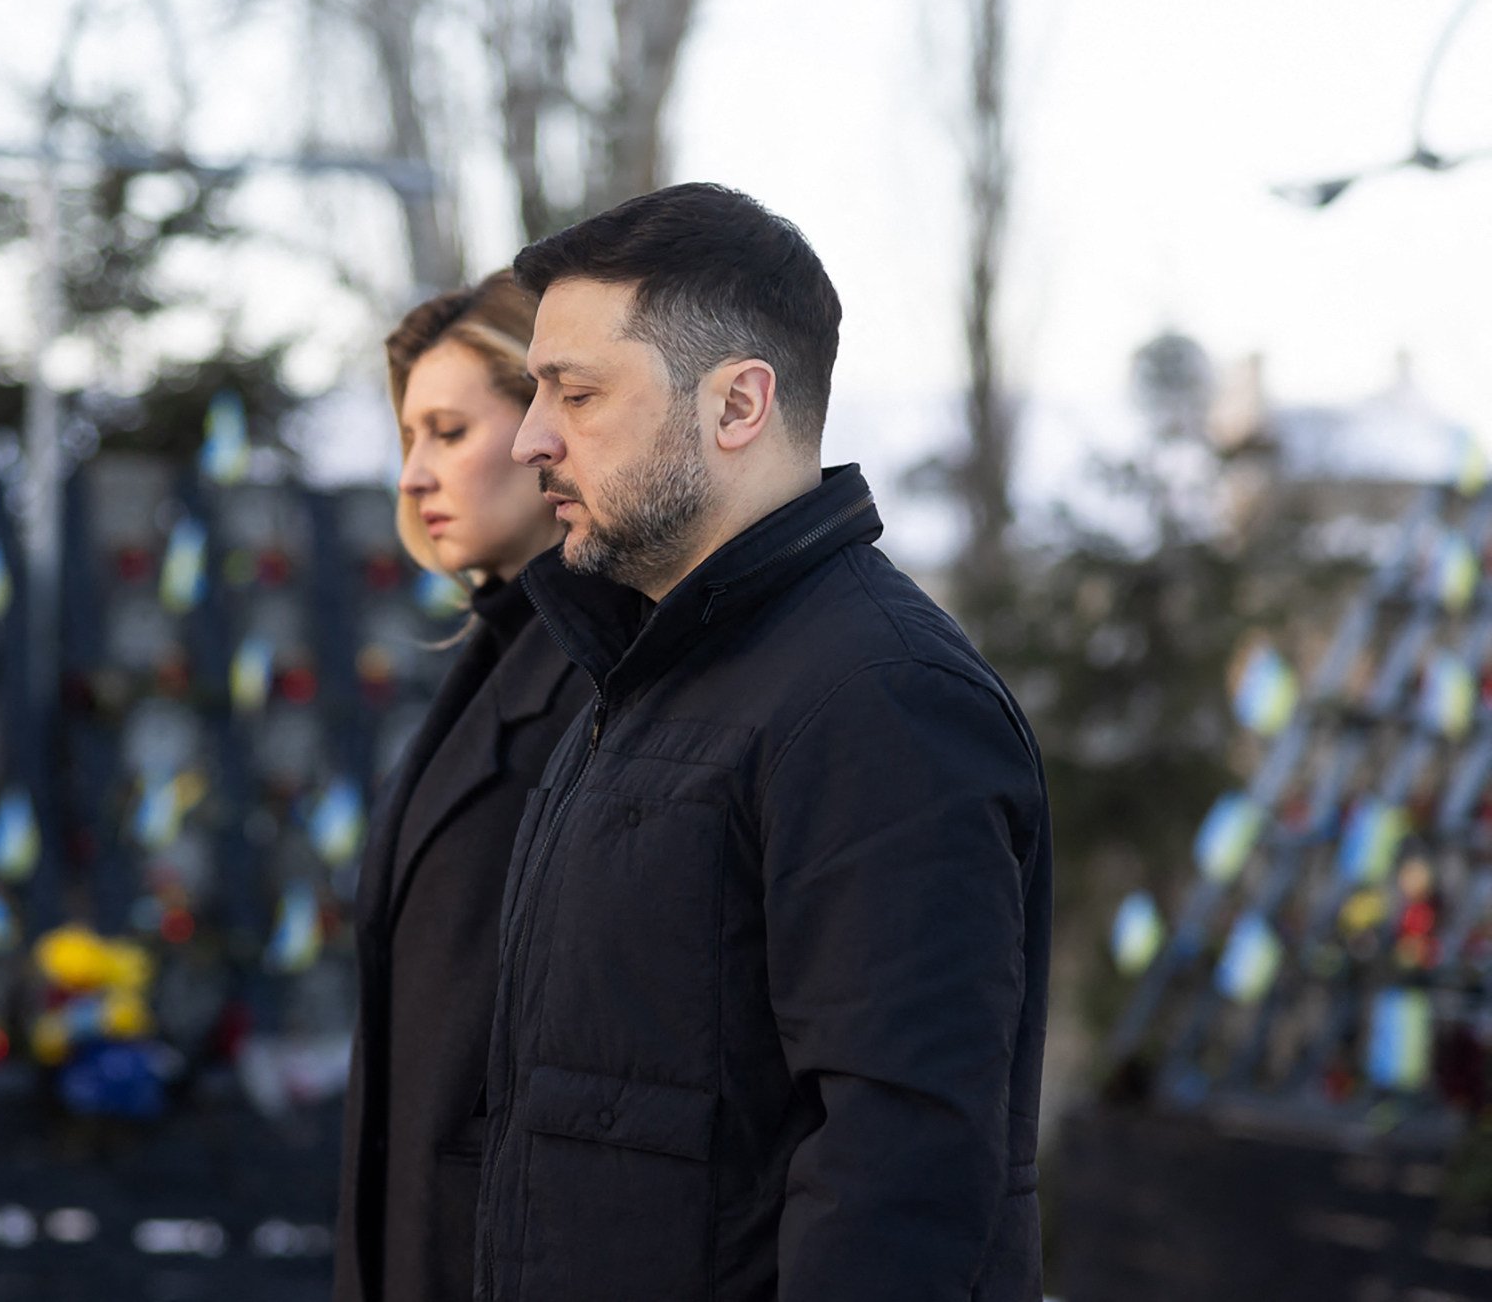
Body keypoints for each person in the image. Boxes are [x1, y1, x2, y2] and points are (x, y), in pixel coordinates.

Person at [475, 184, 1052, 1301]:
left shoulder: (879, 699)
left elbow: (900, 1178)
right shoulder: (645, 674)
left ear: (737, 404)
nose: (529, 437)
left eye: (576, 393)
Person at [334, 270, 589, 1302]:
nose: (412, 476)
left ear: (547, 427)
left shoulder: (606, 681)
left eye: (447, 431)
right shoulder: (496, 654)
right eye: (407, 437)